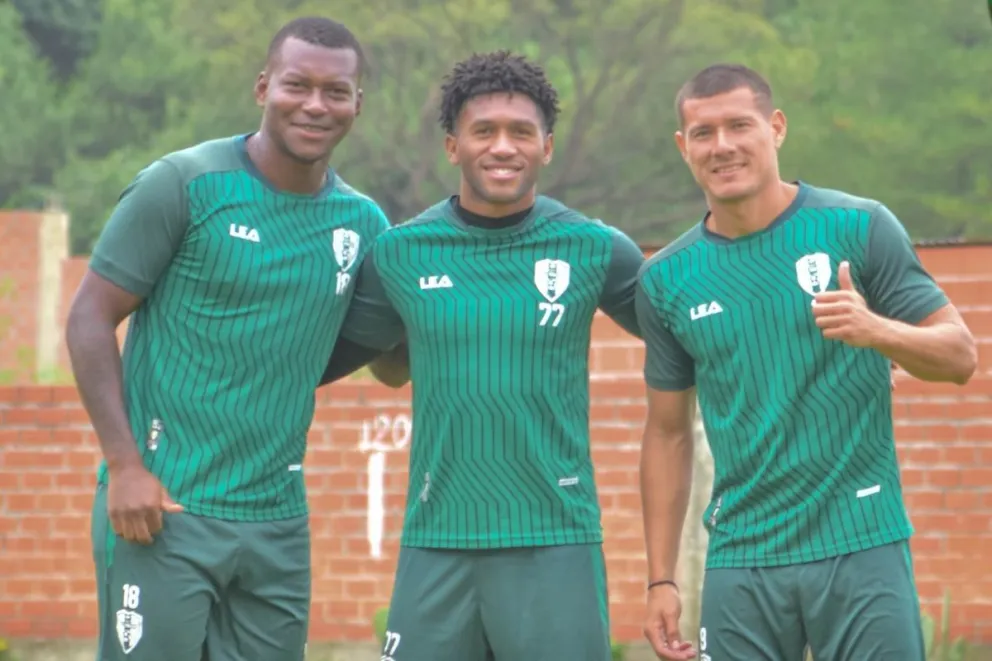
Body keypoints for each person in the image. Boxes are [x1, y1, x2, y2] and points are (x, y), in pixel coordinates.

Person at [65, 16, 405, 661]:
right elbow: (88, 317)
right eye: (296, 85)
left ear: (357, 103)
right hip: (163, 506)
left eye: (335, 92)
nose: (315, 104)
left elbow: (386, 365)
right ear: (262, 87)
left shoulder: (362, 223)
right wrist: (127, 467)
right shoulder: (184, 184)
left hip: (276, 521)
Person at [635, 63, 977, 661]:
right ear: (682, 146)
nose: (723, 147)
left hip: (861, 541)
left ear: (777, 127)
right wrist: (661, 578)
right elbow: (666, 433)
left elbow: (959, 356)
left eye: (739, 126)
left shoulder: (858, 226)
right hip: (742, 557)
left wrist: (876, 330)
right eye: (704, 133)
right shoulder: (665, 278)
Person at [322, 51, 645, 661]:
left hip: (554, 539)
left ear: (546, 146)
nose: (503, 147)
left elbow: (690, 332)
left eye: (521, 132)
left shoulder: (594, 247)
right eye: (484, 131)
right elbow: (350, 362)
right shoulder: (400, 254)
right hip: (437, 539)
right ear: (453, 146)